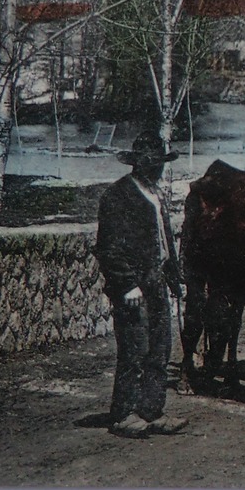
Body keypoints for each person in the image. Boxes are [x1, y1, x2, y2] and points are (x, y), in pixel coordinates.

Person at [95, 128, 188, 439]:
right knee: (135, 349)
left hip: (158, 281)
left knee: (160, 350)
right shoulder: (117, 196)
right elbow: (109, 247)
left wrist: (175, 276)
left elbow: (165, 242)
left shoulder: (156, 194)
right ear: (140, 164)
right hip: (135, 287)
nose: (159, 168)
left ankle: (151, 409)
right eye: (154, 163)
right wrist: (126, 285)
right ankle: (124, 413)